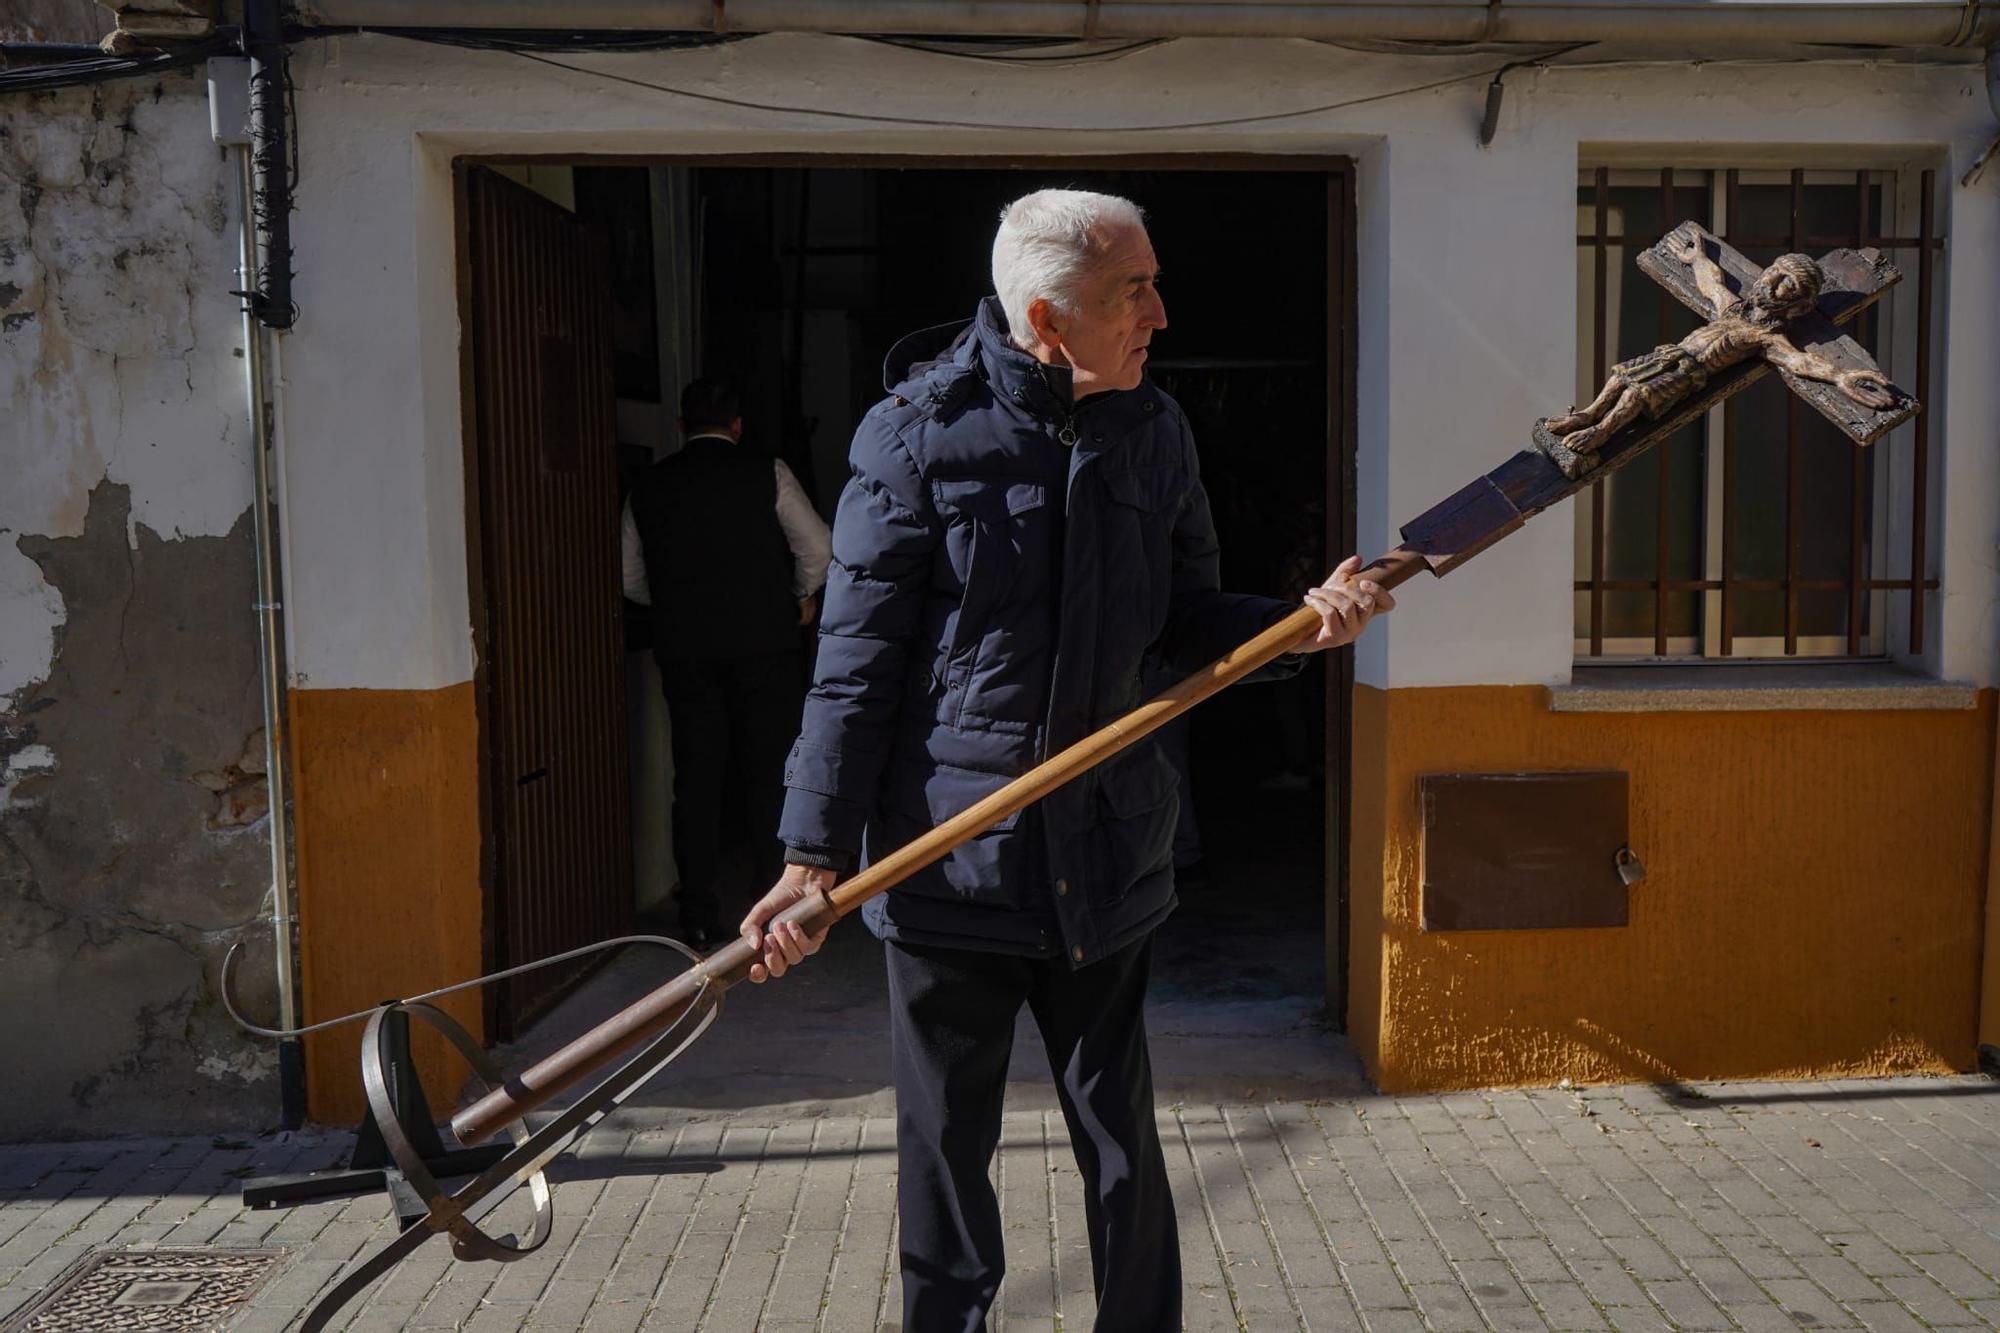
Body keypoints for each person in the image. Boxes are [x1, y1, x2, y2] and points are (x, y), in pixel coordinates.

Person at [739, 191, 1392, 1331]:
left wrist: (1297, 625)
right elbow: (852, 673)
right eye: (1131, 291)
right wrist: (808, 856)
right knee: (944, 1152)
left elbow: (1189, 616)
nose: (1160, 313)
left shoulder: (1154, 428)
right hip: (950, 868)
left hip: (1106, 849)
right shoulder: (912, 440)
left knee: (1121, 1137)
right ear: (1048, 318)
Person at [622, 377, 832, 950]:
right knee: (770, 773)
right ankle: (776, 911)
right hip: (766, 646)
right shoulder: (768, 472)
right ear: (737, 425)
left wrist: (679, 608)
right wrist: (796, 597)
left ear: (682, 427)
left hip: (686, 651)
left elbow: (631, 580)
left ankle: (697, 911)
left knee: (696, 777)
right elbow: (819, 548)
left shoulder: (650, 485)